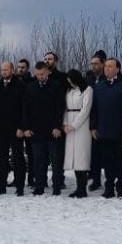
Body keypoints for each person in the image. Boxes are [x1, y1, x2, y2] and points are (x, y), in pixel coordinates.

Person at [22, 61, 67, 195]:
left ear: (48, 72)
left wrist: (57, 126)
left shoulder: (56, 86)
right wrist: (26, 128)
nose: (40, 76)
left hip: (53, 130)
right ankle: (39, 186)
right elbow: (26, 109)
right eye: (38, 74)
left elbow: (60, 108)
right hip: (36, 130)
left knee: (56, 161)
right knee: (38, 161)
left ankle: (57, 187)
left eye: (42, 74)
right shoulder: (30, 87)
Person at [90, 57, 122, 199]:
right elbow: (94, 109)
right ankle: (109, 187)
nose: (107, 68)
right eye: (106, 66)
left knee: (120, 161)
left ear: (117, 69)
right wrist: (93, 127)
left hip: (120, 132)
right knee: (107, 161)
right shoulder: (99, 86)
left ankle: (120, 187)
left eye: (110, 66)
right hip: (104, 130)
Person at [0, 60, 27, 196]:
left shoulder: (20, 85)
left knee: (18, 158)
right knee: (2, 158)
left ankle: (20, 186)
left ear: (12, 70)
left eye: (6, 69)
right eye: (2, 70)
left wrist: (22, 127)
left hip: (16, 129)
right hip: (0, 128)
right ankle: (1, 186)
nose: (4, 72)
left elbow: (24, 108)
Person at [62, 69, 93, 197]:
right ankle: (78, 187)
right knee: (74, 159)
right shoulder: (69, 91)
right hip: (69, 123)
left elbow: (85, 110)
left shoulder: (87, 90)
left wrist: (74, 125)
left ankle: (82, 188)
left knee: (81, 158)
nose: (70, 82)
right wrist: (65, 123)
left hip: (82, 127)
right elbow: (66, 108)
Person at [42, 51, 69, 191]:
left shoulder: (63, 78)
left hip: (58, 119)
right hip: (42, 121)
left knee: (57, 154)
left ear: (56, 61)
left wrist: (60, 123)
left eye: (50, 59)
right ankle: (41, 180)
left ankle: (59, 180)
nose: (47, 61)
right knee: (42, 155)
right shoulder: (40, 77)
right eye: (45, 59)